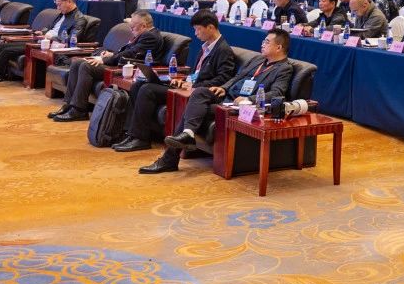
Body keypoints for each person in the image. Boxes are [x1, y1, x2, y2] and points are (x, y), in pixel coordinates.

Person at [140, 29, 295, 175]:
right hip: (227, 96)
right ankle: (187, 135)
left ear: (279, 47)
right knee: (200, 92)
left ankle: (170, 158)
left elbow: (277, 93)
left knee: (193, 110)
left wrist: (249, 99)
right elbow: (237, 77)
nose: (262, 44)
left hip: (243, 106)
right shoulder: (258, 60)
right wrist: (223, 88)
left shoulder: (284, 68)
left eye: (267, 42)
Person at [115, 10, 238, 152]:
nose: (196, 33)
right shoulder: (206, 47)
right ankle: (132, 134)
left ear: (210, 27)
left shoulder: (223, 50)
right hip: (188, 86)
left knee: (148, 89)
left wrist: (193, 85)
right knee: (139, 85)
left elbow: (223, 78)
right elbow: (197, 73)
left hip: (197, 92)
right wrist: (183, 80)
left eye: (198, 29)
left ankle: (140, 139)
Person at [51, 10, 163, 123]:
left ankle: (79, 110)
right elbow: (129, 52)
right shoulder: (144, 34)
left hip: (127, 68)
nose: (131, 29)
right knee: (77, 63)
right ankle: (69, 104)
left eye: (133, 26)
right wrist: (112, 54)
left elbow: (131, 54)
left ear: (143, 26)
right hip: (121, 63)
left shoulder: (150, 36)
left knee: (86, 66)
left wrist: (104, 60)